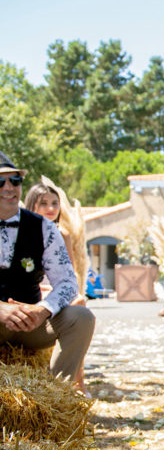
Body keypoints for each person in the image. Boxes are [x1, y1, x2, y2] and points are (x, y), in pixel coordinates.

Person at [0, 151, 95, 382]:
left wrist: (43, 309)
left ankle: (56, 396)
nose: (9, 187)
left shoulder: (44, 228)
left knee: (82, 317)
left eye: (15, 180)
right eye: (0, 181)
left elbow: (67, 282)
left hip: (32, 324)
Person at [25, 178, 89, 391]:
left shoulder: (63, 235)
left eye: (55, 203)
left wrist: (53, 293)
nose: (51, 208)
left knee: (79, 303)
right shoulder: (21, 232)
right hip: (31, 293)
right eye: (43, 203)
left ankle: (77, 379)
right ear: (32, 203)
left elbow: (66, 276)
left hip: (53, 291)